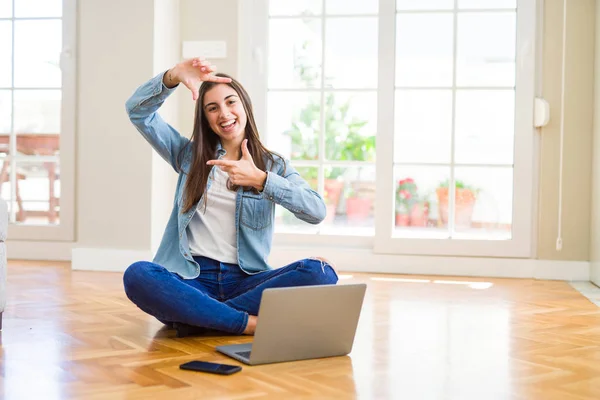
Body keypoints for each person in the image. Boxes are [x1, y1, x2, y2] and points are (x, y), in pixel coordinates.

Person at [122, 58, 338, 336]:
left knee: (321, 272)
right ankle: (246, 323)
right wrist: (172, 76)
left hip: (245, 281)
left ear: (245, 106)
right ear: (206, 119)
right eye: (212, 108)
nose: (223, 113)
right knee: (138, 274)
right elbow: (138, 112)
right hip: (191, 278)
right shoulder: (188, 155)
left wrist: (262, 181)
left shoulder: (274, 166)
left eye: (231, 102)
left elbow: (316, 211)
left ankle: (200, 316)